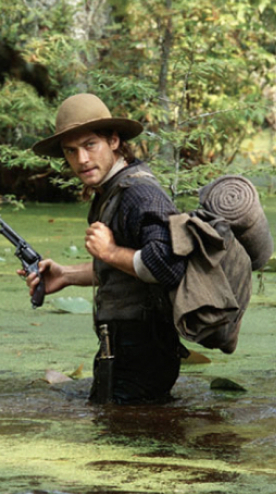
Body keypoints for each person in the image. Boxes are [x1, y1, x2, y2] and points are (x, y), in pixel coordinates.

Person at [24, 93, 187, 405]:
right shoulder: (111, 191)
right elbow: (129, 270)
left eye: (89, 145)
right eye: (70, 151)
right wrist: (67, 274)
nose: (81, 159)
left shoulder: (139, 193)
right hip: (123, 349)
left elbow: (168, 266)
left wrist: (110, 251)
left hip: (144, 352)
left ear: (114, 141)